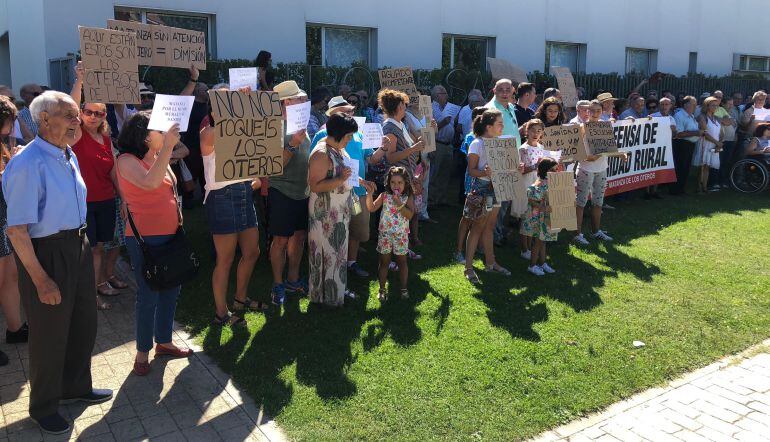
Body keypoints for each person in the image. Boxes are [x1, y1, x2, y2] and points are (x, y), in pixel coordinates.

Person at [3, 91, 112, 434]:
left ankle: (75, 387)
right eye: (69, 116)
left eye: (76, 116)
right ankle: (44, 405)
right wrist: (40, 280)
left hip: (76, 245)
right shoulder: (27, 163)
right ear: (44, 119)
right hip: (45, 252)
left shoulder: (67, 155)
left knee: (83, 322)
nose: (77, 122)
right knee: (49, 334)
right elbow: (17, 231)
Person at [115, 115, 193, 378]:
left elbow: (169, 191)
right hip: (145, 239)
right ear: (146, 136)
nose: (167, 132)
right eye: (160, 130)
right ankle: (142, 352)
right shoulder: (126, 161)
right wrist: (168, 148)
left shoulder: (159, 157)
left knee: (172, 289)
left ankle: (164, 341)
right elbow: (149, 183)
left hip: (170, 236)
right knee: (149, 294)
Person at [200, 87, 267, 327]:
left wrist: (254, 180)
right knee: (225, 259)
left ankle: (240, 299)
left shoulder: (240, 129)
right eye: (227, 102)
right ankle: (221, 313)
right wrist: (245, 105)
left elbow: (255, 158)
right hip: (222, 196)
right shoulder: (209, 132)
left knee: (252, 251)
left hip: (243, 193)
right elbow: (229, 130)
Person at [310, 96, 390, 279]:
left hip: (356, 192)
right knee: (337, 234)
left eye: (351, 111)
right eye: (346, 111)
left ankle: (349, 264)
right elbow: (315, 170)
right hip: (332, 197)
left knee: (357, 231)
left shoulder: (358, 134)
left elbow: (370, 158)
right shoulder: (323, 137)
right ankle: (334, 273)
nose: (350, 114)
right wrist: (340, 179)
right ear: (334, 115)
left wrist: (383, 149)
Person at [307, 114, 361, 306]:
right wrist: (339, 180)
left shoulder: (337, 148)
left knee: (337, 253)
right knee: (326, 253)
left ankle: (336, 292)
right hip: (325, 215)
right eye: (348, 136)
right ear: (339, 134)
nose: (350, 140)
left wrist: (362, 181)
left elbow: (344, 172)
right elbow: (314, 185)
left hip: (338, 212)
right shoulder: (322, 153)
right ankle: (324, 296)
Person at [269, 81, 311, 305]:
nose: (303, 101)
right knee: (281, 241)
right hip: (282, 191)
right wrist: (293, 144)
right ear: (286, 102)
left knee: (299, 237)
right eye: (299, 98)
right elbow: (274, 166)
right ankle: (277, 284)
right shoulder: (274, 126)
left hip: (302, 193)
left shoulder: (301, 124)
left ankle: (293, 280)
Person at [462, 108, 511, 284]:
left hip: (496, 189)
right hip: (483, 190)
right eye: (499, 124)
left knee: (489, 226)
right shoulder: (477, 143)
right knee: (477, 227)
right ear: (489, 126)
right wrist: (483, 172)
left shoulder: (500, 142)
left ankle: (491, 262)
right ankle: (468, 267)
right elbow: (471, 171)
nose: (502, 127)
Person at [0, 95, 27, 368]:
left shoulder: (7, 143)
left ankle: (15, 328)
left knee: (10, 276)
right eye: (11, 118)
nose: (14, 123)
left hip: (5, 217)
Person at [573, 101, 623, 245]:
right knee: (581, 203)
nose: (595, 113)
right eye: (592, 111)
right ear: (586, 112)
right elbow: (576, 150)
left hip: (601, 169)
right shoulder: (582, 127)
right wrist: (588, 157)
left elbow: (609, 146)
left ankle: (596, 231)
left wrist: (620, 154)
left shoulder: (604, 125)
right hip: (585, 169)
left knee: (598, 202)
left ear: (602, 112)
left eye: (598, 111)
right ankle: (577, 234)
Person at [363, 166, 415, 302]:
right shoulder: (384, 195)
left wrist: (399, 204)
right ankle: (382, 289)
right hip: (385, 235)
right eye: (393, 182)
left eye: (399, 183)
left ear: (405, 183)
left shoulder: (407, 197)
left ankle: (404, 288)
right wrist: (369, 194)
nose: (396, 185)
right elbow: (371, 208)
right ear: (388, 182)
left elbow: (409, 215)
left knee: (402, 262)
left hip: (401, 236)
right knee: (384, 262)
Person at [486, 79, 521, 246]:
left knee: (505, 200)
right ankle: (492, 236)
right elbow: (488, 137)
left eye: (508, 89)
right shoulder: (491, 110)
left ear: (513, 90)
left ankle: (499, 232)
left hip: (512, 160)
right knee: (496, 202)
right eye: (501, 89)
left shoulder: (510, 106)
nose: (505, 92)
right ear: (494, 90)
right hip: (499, 160)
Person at [454, 106, 487, 264]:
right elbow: (470, 162)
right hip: (473, 182)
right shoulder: (471, 139)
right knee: (467, 217)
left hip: (486, 183)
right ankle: (459, 250)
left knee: (480, 217)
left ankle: (476, 246)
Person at [521, 158, 560, 276]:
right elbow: (531, 200)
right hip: (538, 218)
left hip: (545, 217)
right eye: (553, 170)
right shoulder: (539, 184)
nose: (556, 172)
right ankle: (532, 266)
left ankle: (542, 263)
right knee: (538, 242)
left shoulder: (550, 182)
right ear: (545, 170)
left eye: (556, 169)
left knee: (543, 241)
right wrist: (543, 207)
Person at [518, 119, 547, 259]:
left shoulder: (541, 148)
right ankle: (524, 249)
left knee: (534, 216)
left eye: (539, 131)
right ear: (527, 132)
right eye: (533, 130)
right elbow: (522, 170)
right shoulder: (523, 149)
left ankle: (530, 247)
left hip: (538, 184)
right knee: (526, 216)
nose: (536, 134)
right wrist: (536, 166)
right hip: (527, 184)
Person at [381, 89, 425, 176]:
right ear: (399, 106)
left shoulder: (400, 124)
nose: (406, 107)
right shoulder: (390, 128)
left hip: (406, 175)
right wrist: (414, 148)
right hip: (397, 179)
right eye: (404, 104)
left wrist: (417, 142)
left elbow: (405, 146)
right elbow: (390, 158)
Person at [428, 85, 455, 207]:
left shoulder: (449, 108)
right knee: (435, 172)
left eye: (445, 93)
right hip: (438, 143)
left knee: (445, 172)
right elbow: (430, 128)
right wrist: (444, 122)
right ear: (436, 96)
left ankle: (441, 198)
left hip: (448, 144)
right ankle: (431, 200)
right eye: (443, 93)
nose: (446, 95)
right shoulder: (431, 108)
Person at [647, 97, 678, 199]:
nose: (664, 107)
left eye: (666, 104)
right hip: (652, 147)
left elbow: (674, 136)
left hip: (664, 147)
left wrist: (674, 131)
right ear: (659, 106)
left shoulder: (672, 119)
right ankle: (647, 192)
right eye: (662, 104)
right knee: (649, 168)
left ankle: (655, 191)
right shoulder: (652, 117)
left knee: (659, 168)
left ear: (670, 106)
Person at [672, 96, 703, 195]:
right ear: (685, 104)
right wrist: (696, 133)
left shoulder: (691, 116)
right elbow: (678, 134)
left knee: (686, 168)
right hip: (682, 144)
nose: (695, 106)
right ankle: (676, 190)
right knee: (680, 167)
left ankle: (681, 189)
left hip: (690, 145)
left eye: (695, 104)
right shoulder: (679, 116)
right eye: (693, 104)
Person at [693, 97, 723, 193]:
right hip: (704, 144)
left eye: (716, 105)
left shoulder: (716, 118)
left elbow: (720, 132)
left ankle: (705, 187)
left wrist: (719, 143)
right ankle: (698, 187)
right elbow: (705, 133)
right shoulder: (702, 117)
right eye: (713, 105)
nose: (715, 107)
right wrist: (717, 143)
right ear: (707, 105)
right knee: (702, 166)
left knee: (707, 167)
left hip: (714, 145)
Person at [718, 96, 738, 188]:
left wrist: (730, 121)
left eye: (732, 104)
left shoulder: (729, 113)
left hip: (730, 141)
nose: (731, 106)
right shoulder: (719, 110)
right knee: (722, 161)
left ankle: (724, 180)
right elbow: (726, 122)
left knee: (727, 162)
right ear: (723, 103)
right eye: (729, 104)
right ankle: (720, 181)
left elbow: (732, 123)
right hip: (723, 141)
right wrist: (730, 121)